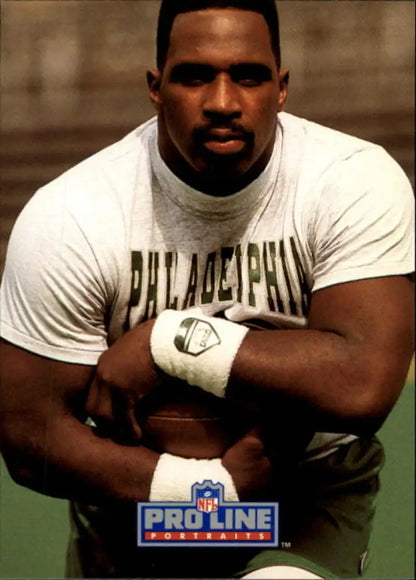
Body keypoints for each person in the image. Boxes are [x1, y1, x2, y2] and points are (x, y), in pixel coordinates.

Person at [0, 0, 414, 578]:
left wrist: (168, 341)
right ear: (155, 86)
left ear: (282, 87)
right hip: (135, 500)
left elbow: (363, 383)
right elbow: (28, 432)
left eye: (248, 76)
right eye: (195, 76)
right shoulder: (74, 214)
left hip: (302, 492)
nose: (223, 103)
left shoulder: (349, 180)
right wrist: (200, 490)